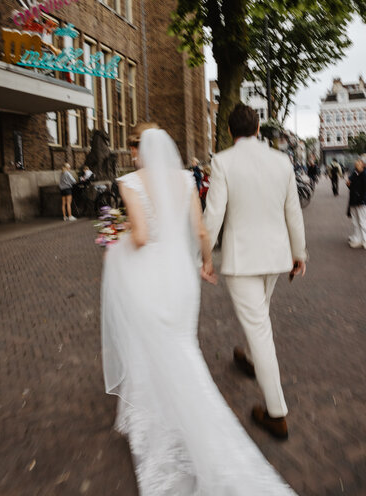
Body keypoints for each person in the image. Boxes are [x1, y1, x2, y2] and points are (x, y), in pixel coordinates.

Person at [101, 127, 296, 495]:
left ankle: (176, 416)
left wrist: (115, 242)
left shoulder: (129, 181)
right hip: (181, 278)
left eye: (132, 147)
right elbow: (202, 232)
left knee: (153, 345)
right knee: (181, 345)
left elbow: (140, 237)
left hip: (150, 275)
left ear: (137, 149)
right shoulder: (184, 180)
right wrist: (206, 264)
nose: (131, 154)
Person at [204, 103, 307, 440]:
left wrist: (204, 258)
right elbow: (293, 212)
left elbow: (214, 214)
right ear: (258, 129)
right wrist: (299, 254)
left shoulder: (222, 161)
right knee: (259, 316)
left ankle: (276, 413)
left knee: (260, 328)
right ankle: (247, 358)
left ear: (231, 132)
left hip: (243, 260)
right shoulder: (282, 162)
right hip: (276, 258)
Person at [346, 157, 366, 249]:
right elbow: (351, 185)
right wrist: (348, 184)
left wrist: (362, 201)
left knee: (362, 221)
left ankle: (364, 240)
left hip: (361, 201)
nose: (357, 162)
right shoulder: (355, 172)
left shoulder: (364, 174)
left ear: (363, 164)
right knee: (355, 220)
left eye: (360, 161)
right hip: (354, 200)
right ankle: (357, 237)